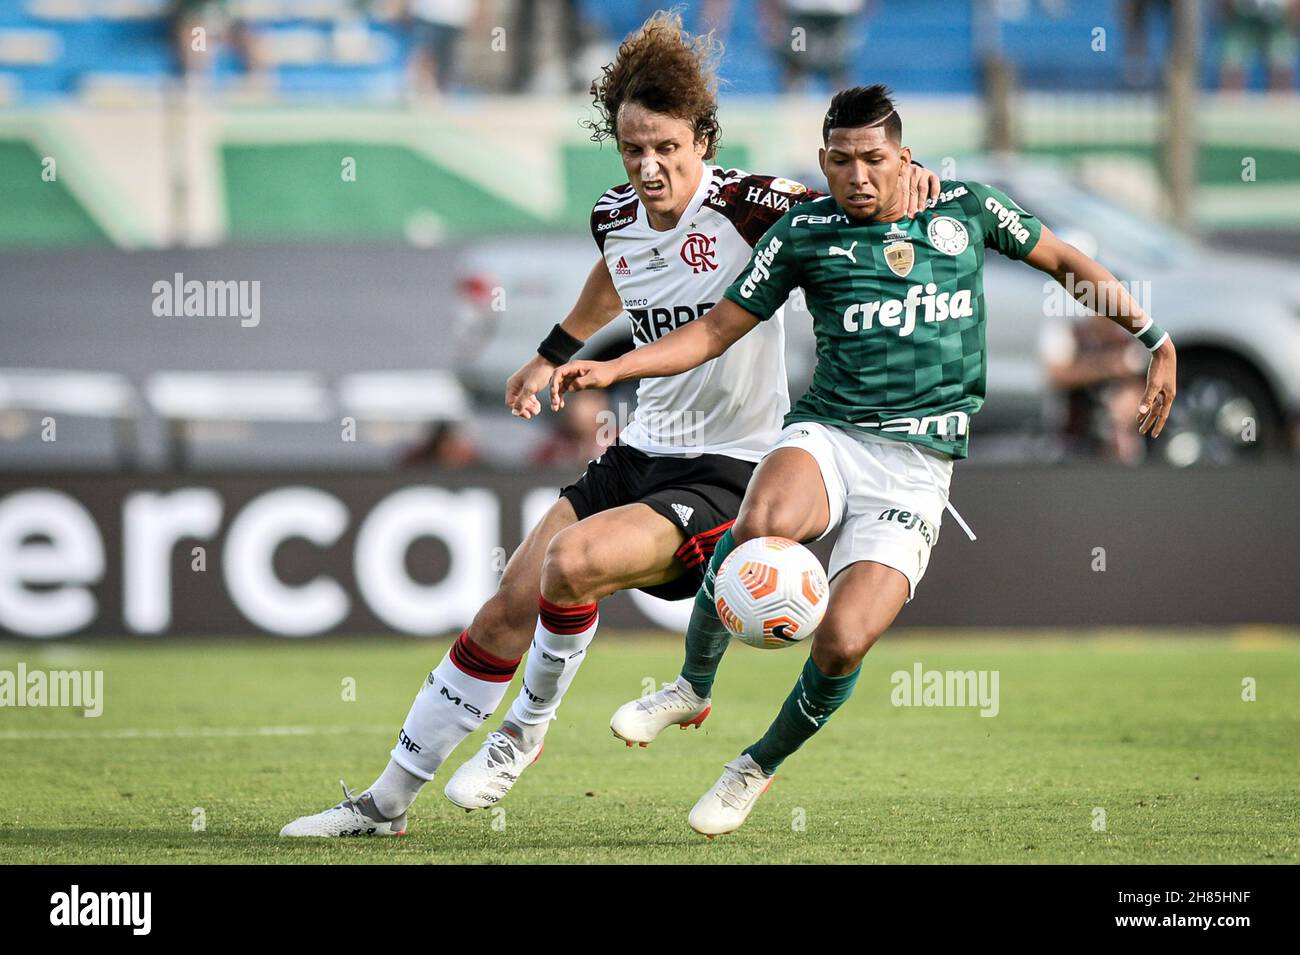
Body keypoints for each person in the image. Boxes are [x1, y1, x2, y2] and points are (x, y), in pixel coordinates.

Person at [280, 16, 939, 837]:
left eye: (665, 146)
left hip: (730, 471)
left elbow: (849, 203)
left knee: (574, 561)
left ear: (702, 136)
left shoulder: (752, 206)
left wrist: (918, 185)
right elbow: (614, 277)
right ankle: (383, 804)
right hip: (638, 453)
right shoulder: (616, 214)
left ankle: (524, 731)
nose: (649, 165)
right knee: (502, 610)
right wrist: (548, 352)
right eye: (632, 149)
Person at [551, 85, 1178, 837]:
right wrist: (615, 368)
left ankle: (754, 765)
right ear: (824, 162)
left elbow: (1064, 261)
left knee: (844, 640)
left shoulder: (965, 210)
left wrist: (1154, 338)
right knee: (761, 520)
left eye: (874, 160)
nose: (858, 176)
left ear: (903, 157)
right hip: (833, 433)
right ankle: (691, 684)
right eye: (842, 160)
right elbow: (716, 330)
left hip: (917, 468)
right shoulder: (804, 230)